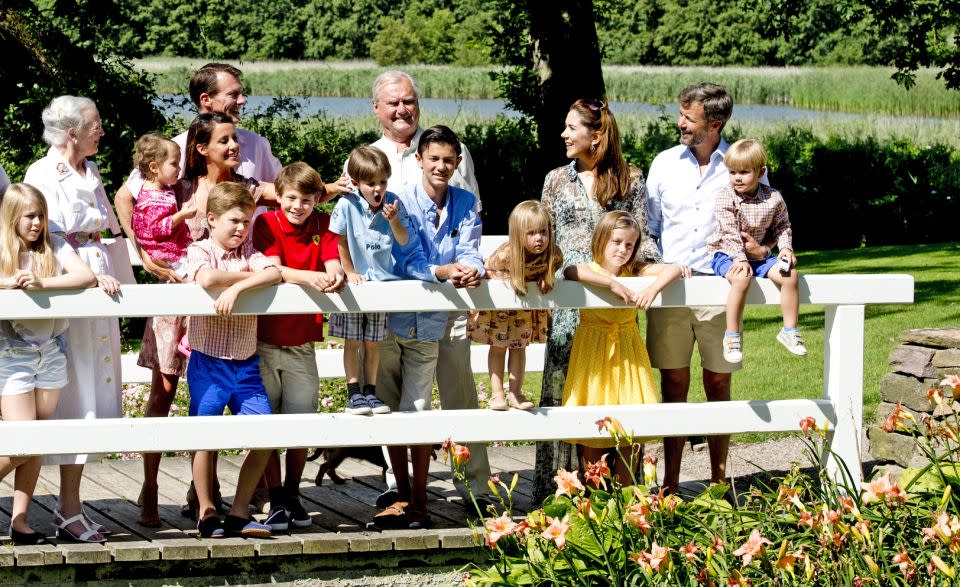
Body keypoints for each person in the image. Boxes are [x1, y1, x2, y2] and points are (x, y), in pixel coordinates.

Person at [135, 113, 278, 525]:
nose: (235, 146)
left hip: (225, 314)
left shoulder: (246, 188)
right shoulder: (177, 184)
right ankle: (150, 487)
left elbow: (291, 192)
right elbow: (133, 202)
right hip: (184, 299)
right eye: (226, 140)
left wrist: (335, 188)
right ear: (203, 147)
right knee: (163, 395)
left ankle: (217, 499)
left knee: (214, 408)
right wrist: (146, 251)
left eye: (236, 139)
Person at [646, 83, 771, 495]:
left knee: (719, 383)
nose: (680, 123)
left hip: (720, 291)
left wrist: (764, 249)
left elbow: (763, 222)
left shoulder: (742, 165)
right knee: (673, 385)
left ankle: (719, 485)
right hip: (673, 291)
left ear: (714, 124)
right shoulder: (663, 164)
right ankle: (670, 484)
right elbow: (651, 228)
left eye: (689, 118)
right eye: (681, 114)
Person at [534, 99, 660, 502]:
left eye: (572, 128)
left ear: (597, 135)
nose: (564, 134)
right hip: (569, 304)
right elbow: (546, 239)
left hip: (614, 310)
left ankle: (620, 498)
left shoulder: (630, 181)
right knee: (565, 393)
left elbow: (643, 240)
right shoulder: (556, 180)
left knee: (615, 394)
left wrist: (653, 276)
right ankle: (561, 495)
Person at [23, 95, 128, 543]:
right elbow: (45, 237)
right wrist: (84, 276)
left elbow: (105, 228)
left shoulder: (91, 170)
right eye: (95, 124)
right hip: (71, 282)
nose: (102, 131)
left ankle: (72, 505)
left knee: (97, 386)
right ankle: (63, 509)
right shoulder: (43, 174)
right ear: (72, 132)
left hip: (99, 278)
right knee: (75, 391)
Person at [373, 125, 487, 529]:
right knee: (388, 405)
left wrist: (472, 269)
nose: (441, 166)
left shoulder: (465, 201)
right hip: (392, 321)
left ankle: (419, 499)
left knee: (418, 409)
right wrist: (440, 270)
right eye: (433, 158)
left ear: (458, 163)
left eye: (448, 160)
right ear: (418, 160)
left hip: (434, 322)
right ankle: (401, 493)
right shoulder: (398, 201)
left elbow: (471, 246)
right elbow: (400, 258)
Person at [116, 63, 283, 285]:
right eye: (233, 94)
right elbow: (125, 197)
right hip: (187, 276)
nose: (242, 100)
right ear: (206, 100)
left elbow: (286, 194)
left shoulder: (255, 143)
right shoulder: (173, 149)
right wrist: (145, 252)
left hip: (240, 275)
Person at [0, 184, 97, 544]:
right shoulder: (3, 249)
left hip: (51, 350)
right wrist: (7, 284)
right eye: (29, 216)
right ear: (12, 217)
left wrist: (42, 283)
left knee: (38, 438)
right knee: (20, 441)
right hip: (12, 351)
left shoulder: (53, 246)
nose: (37, 223)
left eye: (41, 215)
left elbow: (84, 276)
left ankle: (20, 520)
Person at [252, 162, 344, 532]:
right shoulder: (265, 223)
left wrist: (336, 273)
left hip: (302, 341)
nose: (298, 206)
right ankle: (274, 495)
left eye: (307, 199)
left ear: (317, 199)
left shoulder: (323, 225)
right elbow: (274, 270)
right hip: (263, 339)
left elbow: (332, 260)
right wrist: (312, 277)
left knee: (301, 419)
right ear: (279, 195)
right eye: (291, 198)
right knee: (268, 421)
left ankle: (292, 491)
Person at [185, 182, 281, 538]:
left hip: (245, 363)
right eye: (235, 221)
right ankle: (207, 509)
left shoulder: (251, 253)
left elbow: (274, 272)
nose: (242, 228)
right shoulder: (199, 251)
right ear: (211, 219)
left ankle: (240, 511)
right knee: (205, 435)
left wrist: (239, 287)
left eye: (247, 221)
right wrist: (248, 279)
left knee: (263, 432)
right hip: (208, 361)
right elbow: (207, 278)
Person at [562, 211, 685, 480]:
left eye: (629, 245)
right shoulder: (590, 269)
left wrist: (651, 289)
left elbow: (675, 268)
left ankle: (627, 501)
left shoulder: (636, 270)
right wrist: (611, 283)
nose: (623, 249)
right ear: (602, 239)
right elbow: (570, 270)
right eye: (616, 242)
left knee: (630, 429)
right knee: (592, 430)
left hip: (628, 354)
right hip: (593, 355)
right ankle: (596, 504)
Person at [330, 145, 425, 416]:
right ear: (357, 182)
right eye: (371, 183)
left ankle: (370, 392)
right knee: (352, 340)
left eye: (382, 182)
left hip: (382, 284)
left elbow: (404, 239)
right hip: (355, 286)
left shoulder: (393, 203)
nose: (378, 189)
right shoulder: (347, 203)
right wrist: (348, 271)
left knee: (373, 342)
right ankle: (353, 392)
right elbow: (339, 241)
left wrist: (394, 221)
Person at [707, 139, 805, 363]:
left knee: (790, 275)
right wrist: (740, 258)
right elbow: (729, 231)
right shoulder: (726, 196)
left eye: (744, 172)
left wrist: (785, 249)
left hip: (759, 256)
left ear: (760, 171)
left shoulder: (773, 197)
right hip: (726, 253)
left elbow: (782, 226)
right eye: (732, 172)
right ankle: (732, 336)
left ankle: (789, 330)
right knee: (741, 278)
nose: (737, 178)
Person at [468, 200, 562, 411]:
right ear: (518, 234)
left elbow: (557, 263)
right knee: (498, 347)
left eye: (543, 232)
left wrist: (548, 275)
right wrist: (506, 280)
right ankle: (497, 394)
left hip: (523, 311)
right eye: (531, 233)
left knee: (519, 348)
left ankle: (515, 393)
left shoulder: (552, 253)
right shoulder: (506, 254)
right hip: (501, 309)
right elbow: (487, 270)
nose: (539, 238)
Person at [366, 71, 480, 208]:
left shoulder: (455, 151)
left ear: (418, 104)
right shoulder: (363, 159)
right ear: (376, 107)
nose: (402, 110)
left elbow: (473, 213)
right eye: (393, 103)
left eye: (408, 102)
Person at [131, 134, 195, 279]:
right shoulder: (152, 198)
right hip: (167, 255)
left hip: (172, 252)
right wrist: (182, 215)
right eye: (174, 164)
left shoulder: (162, 189)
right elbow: (156, 228)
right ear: (154, 167)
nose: (179, 169)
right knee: (187, 282)